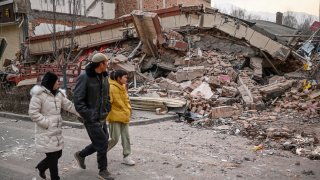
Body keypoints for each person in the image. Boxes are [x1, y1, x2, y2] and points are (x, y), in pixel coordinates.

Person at [29, 71, 79, 180]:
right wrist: (46, 123)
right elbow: (33, 113)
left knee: (58, 154)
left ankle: (41, 167)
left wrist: (82, 113)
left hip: (56, 131)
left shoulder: (59, 94)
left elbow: (69, 106)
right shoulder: (39, 95)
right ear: (50, 82)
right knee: (52, 158)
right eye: (57, 81)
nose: (59, 83)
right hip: (46, 130)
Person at [73, 53, 114, 180]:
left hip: (102, 116)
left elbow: (106, 95)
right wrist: (89, 115)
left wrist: (107, 107)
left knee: (103, 141)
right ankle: (103, 171)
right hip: (91, 118)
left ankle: (81, 154)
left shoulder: (103, 76)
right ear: (100, 64)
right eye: (106, 62)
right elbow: (78, 100)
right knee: (102, 143)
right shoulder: (85, 77)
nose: (107, 65)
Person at [107, 70, 135, 166]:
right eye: (125, 77)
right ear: (118, 78)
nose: (126, 79)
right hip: (115, 117)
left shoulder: (123, 86)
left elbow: (126, 100)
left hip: (124, 115)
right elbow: (107, 103)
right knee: (114, 139)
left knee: (126, 137)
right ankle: (102, 152)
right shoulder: (111, 88)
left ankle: (126, 156)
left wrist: (129, 109)